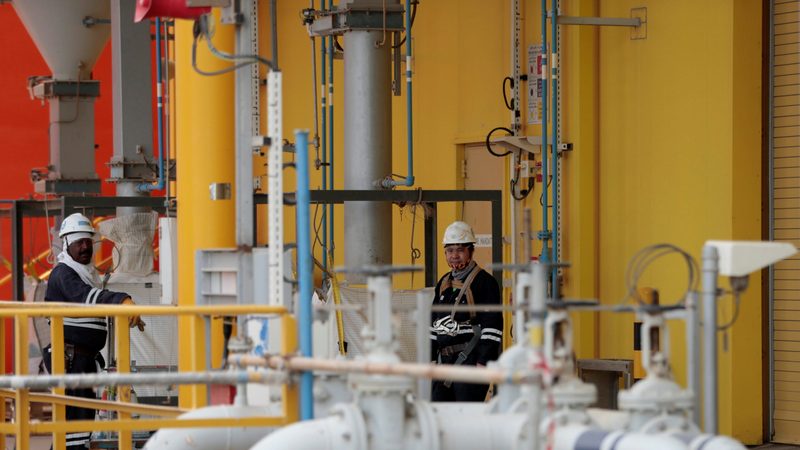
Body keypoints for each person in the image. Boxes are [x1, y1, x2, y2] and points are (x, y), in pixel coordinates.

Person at [44, 213, 145, 449]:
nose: (85, 246)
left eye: (88, 241)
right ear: (67, 243)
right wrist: (121, 300)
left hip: (81, 359)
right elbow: (85, 298)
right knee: (74, 430)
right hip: (70, 359)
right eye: (79, 242)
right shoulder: (63, 273)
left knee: (74, 430)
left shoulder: (87, 275)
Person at [430, 221, 502, 402]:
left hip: (470, 362)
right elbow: (433, 323)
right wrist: (428, 358)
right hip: (443, 363)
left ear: (470, 251)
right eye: (450, 250)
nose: (455, 256)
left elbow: (492, 327)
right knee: (438, 415)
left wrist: (483, 363)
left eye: (460, 250)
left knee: (467, 418)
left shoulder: (485, 282)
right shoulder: (444, 283)